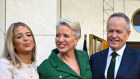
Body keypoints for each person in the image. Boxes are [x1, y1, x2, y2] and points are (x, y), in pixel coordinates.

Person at [90, 12, 140, 79]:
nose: (113, 36)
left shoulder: (138, 57)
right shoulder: (95, 58)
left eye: (118, 31)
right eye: (110, 31)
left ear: (128, 34)